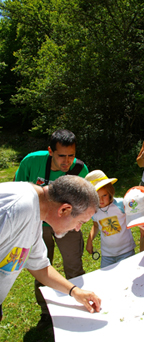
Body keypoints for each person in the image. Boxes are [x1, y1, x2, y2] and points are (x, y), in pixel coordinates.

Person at [14, 129, 89, 329]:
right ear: (50, 151)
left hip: (67, 224)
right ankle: (46, 313)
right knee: (42, 266)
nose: (67, 162)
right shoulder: (31, 161)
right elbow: (18, 191)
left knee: (73, 265)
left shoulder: (80, 170)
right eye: (61, 156)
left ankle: (80, 305)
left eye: (71, 155)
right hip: (38, 224)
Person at [0, 175, 101, 322]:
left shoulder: (35, 212)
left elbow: (40, 267)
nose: (78, 229)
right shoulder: (16, 208)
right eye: (80, 221)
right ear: (65, 210)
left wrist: (75, 291)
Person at [85, 170, 136, 268]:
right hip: (107, 254)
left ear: (110, 192)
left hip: (126, 251)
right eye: (97, 197)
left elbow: (135, 215)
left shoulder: (120, 204)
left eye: (104, 195)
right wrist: (89, 241)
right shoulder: (94, 211)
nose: (101, 200)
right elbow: (96, 226)